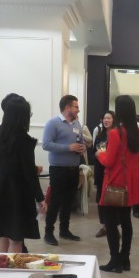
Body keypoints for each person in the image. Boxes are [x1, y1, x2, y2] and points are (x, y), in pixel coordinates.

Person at [0, 94, 47, 253]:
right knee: (16, 239)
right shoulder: (24, 140)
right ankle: (12, 268)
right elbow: (29, 174)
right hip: (17, 193)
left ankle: (0, 266)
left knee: (2, 235)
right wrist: (40, 198)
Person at [95, 95, 139, 273]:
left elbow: (108, 161)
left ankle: (114, 260)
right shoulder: (138, 132)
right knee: (126, 220)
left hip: (115, 180)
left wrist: (99, 154)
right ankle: (125, 259)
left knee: (110, 223)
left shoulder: (116, 133)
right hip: (131, 181)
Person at [42, 95, 85, 246]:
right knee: (55, 201)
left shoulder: (77, 124)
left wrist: (82, 148)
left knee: (68, 201)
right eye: (76, 106)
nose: (78, 109)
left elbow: (81, 142)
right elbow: (46, 145)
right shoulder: (53, 123)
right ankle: (48, 232)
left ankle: (64, 230)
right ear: (67, 107)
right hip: (58, 169)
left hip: (74, 169)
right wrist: (69, 148)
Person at [92, 111, 116, 238]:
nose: (106, 120)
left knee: (112, 199)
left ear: (114, 120)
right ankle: (103, 226)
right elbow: (94, 151)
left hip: (112, 171)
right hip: (100, 170)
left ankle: (113, 226)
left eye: (109, 118)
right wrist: (99, 154)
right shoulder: (100, 135)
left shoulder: (117, 135)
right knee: (100, 198)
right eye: (105, 118)